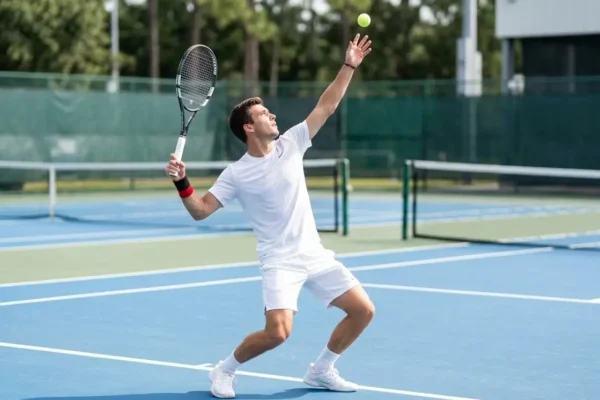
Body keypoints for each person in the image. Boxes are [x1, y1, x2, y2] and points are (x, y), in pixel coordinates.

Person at [165, 34, 375, 399]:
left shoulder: (292, 143)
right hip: (279, 260)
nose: (272, 114)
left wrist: (349, 65)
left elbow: (326, 106)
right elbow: (200, 210)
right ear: (249, 127)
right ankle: (224, 369)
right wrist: (182, 180)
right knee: (278, 332)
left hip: (314, 253)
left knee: (363, 310)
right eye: (263, 113)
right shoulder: (236, 173)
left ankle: (322, 370)